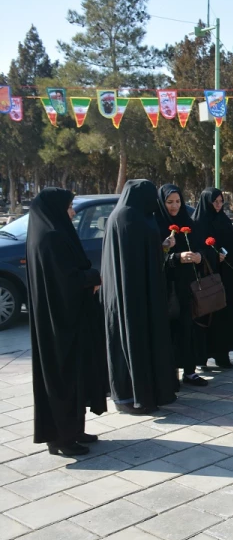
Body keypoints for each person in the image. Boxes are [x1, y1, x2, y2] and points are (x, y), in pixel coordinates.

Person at [27, 188, 107, 456]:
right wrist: (92, 277)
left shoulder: (50, 233)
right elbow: (66, 280)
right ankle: (61, 439)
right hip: (59, 324)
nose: (72, 212)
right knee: (63, 379)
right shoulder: (50, 237)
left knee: (76, 376)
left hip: (66, 319)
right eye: (69, 207)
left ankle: (74, 430)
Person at [103, 179, 179, 414]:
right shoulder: (128, 217)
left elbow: (142, 252)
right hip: (131, 295)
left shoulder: (133, 215)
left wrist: (161, 246)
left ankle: (148, 392)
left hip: (138, 292)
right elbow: (132, 259)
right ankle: (131, 396)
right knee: (132, 342)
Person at [155, 184, 217, 387]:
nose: (174, 206)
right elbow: (152, 259)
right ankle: (170, 373)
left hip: (187, 286)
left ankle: (190, 371)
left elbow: (204, 249)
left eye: (178, 201)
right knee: (169, 330)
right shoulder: (156, 225)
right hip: (166, 287)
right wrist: (174, 256)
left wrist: (199, 256)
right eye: (169, 202)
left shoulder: (188, 223)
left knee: (188, 328)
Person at [193, 187, 233, 367]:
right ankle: (202, 357)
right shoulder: (197, 223)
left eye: (221, 202)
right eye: (215, 202)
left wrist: (226, 254)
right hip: (206, 279)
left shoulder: (223, 220)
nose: (218, 205)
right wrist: (212, 256)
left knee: (224, 317)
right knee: (206, 317)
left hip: (225, 279)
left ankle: (222, 355)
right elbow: (196, 248)